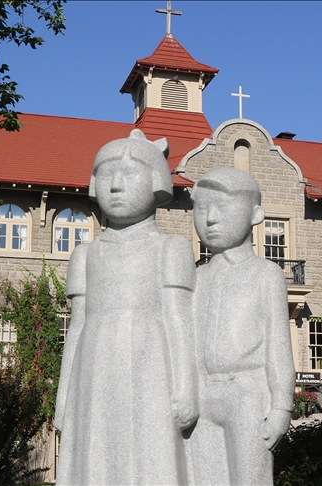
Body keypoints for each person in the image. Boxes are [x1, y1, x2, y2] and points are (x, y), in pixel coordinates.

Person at [53, 129, 197, 485]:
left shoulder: (171, 248)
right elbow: (77, 326)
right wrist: (63, 395)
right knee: (94, 454)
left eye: (129, 174)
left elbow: (180, 319)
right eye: (106, 174)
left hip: (153, 365)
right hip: (94, 366)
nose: (115, 185)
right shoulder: (85, 254)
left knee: (151, 454)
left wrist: (186, 385)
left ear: (154, 182)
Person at [187, 167, 295, 485]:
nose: (210, 218)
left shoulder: (266, 274)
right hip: (201, 395)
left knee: (250, 478)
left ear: (255, 215)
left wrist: (281, 405)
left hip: (247, 392)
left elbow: (278, 344)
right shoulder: (195, 278)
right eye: (202, 207)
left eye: (223, 207)